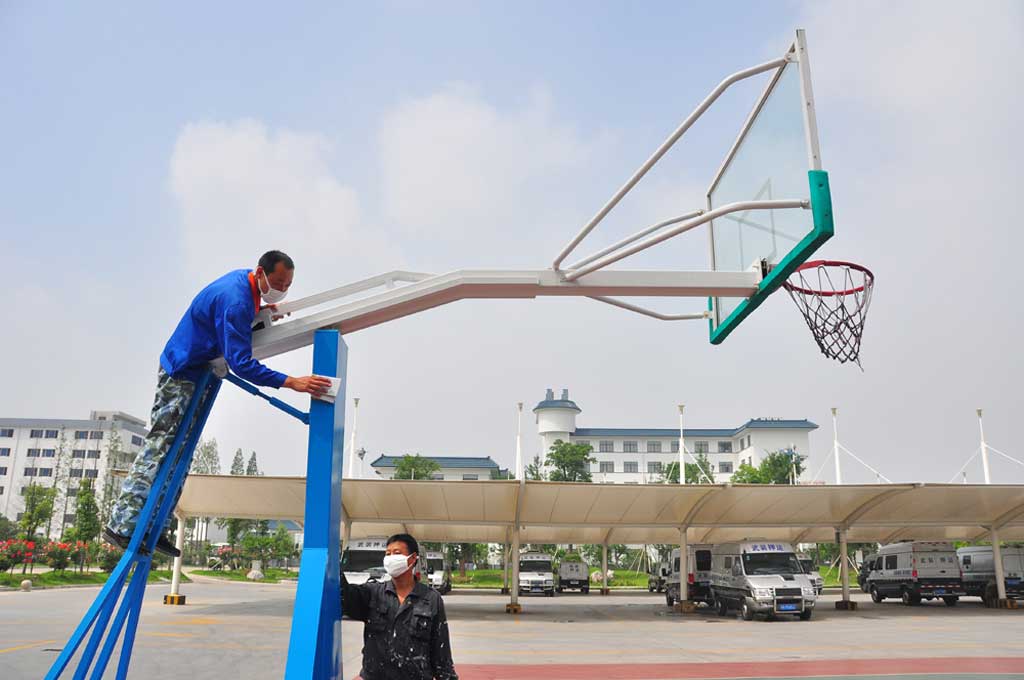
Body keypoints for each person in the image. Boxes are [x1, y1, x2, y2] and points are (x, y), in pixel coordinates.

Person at [104, 250, 332, 556]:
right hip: (181, 372)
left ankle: (155, 526)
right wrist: (291, 382)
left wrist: (262, 312)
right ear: (260, 272)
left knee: (182, 452)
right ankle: (121, 524)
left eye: (287, 284)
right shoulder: (236, 300)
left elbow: (234, 319)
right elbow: (242, 363)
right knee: (160, 447)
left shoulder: (247, 288)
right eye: (278, 283)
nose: (282, 289)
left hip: (198, 371)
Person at [342, 533, 458, 680]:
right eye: (387, 554)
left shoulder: (431, 598)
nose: (390, 558)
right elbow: (345, 595)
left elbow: (441, 651)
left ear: (413, 558)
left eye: (396, 553)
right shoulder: (372, 593)